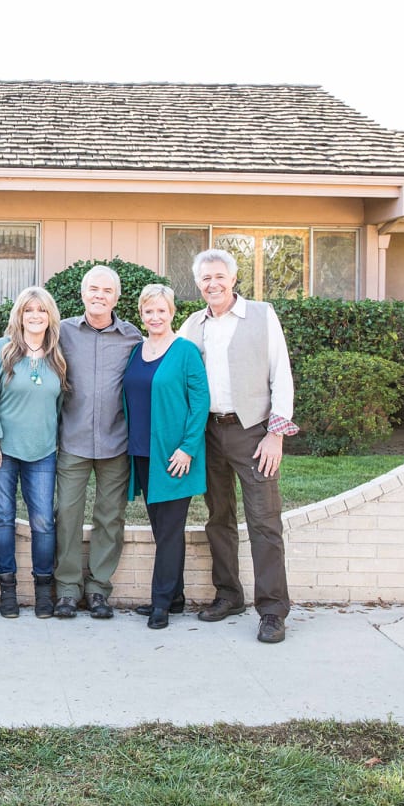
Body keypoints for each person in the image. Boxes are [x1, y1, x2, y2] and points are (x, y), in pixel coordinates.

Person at [179, 248, 299, 644]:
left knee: (264, 521)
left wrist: (275, 433)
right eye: (205, 279)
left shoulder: (262, 315)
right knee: (218, 518)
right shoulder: (193, 324)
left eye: (219, 276)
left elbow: (281, 374)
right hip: (208, 433)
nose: (212, 284)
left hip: (252, 431)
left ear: (232, 279)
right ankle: (228, 595)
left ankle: (272, 610)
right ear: (198, 285)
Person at [0, 286, 66, 619]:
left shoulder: (57, 354)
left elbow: (59, 405)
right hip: (2, 450)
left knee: (43, 523)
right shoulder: (3, 349)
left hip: (42, 452)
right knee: (4, 519)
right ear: (19, 315)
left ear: (50, 316)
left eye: (41, 310)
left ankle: (43, 592)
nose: (35, 316)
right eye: (28, 310)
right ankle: (7, 590)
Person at [53, 264, 143, 619]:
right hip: (72, 439)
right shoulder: (62, 332)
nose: (99, 296)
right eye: (93, 289)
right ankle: (67, 590)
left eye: (107, 291)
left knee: (110, 517)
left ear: (117, 298)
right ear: (83, 293)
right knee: (67, 516)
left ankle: (100, 589)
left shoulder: (133, 337)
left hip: (115, 441)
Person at [122, 284, 209, 630]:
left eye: (161, 310)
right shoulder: (136, 351)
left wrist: (188, 447)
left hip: (175, 456)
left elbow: (200, 401)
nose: (155, 317)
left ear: (172, 313)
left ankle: (160, 603)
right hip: (143, 453)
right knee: (162, 530)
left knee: (171, 530)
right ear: (141, 315)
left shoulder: (185, 351)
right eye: (148, 311)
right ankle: (175, 597)